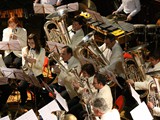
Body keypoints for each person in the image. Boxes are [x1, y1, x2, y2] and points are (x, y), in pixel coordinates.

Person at [18, 33, 45, 108]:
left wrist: (34, 62)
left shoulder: (42, 51)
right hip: (28, 74)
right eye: (29, 43)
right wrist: (26, 61)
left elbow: (40, 67)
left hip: (37, 74)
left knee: (35, 88)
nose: (30, 45)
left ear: (36, 42)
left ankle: (38, 102)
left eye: (32, 43)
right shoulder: (24, 49)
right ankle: (24, 100)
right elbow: (24, 66)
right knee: (21, 87)